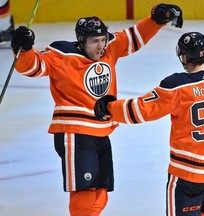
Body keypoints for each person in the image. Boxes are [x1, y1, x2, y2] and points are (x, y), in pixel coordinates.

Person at [10, 3, 183, 216]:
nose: (100, 46)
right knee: (83, 191)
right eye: (94, 42)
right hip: (75, 132)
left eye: (102, 40)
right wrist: (24, 49)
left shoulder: (109, 48)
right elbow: (32, 67)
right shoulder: (61, 54)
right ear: (81, 41)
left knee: (102, 189)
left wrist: (157, 19)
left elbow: (134, 37)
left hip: (101, 130)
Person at [94, 30, 204, 216]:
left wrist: (109, 108)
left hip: (188, 175)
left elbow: (141, 110)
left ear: (184, 56)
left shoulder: (176, 87)